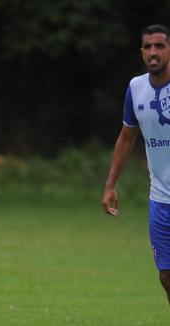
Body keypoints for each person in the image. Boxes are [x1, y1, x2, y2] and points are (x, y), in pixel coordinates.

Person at [102, 24, 170, 303]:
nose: (153, 52)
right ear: (141, 51)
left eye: (160, 46)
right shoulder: (136, 87)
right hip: (160, 198)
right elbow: (127, 138)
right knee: (165, 274)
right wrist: (110, 184)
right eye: (147, 47)